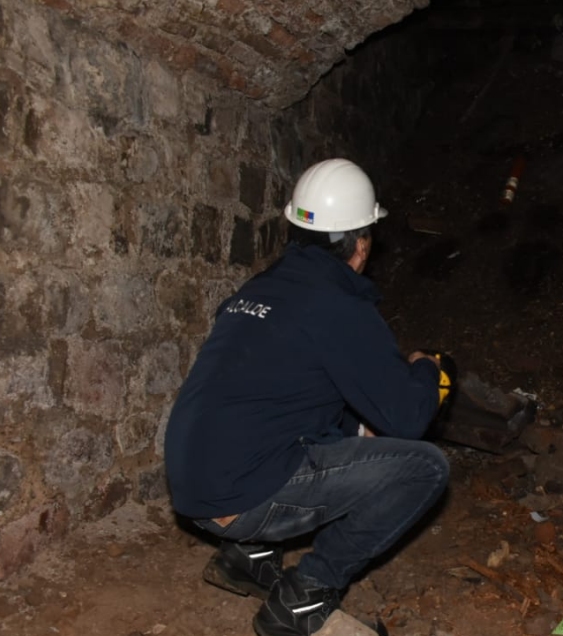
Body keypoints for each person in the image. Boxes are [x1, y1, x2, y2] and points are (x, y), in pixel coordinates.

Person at [165, 158, 451, 636]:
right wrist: (425, 368)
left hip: (193, 486)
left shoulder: (258, 291)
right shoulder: (342, 308)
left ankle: (246, 560)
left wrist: (358, 429)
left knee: (299, 423)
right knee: (426, 467)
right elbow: (408, 418)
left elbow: (294, 398)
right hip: (241, 496)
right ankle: (306, 596)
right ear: (361, 244)